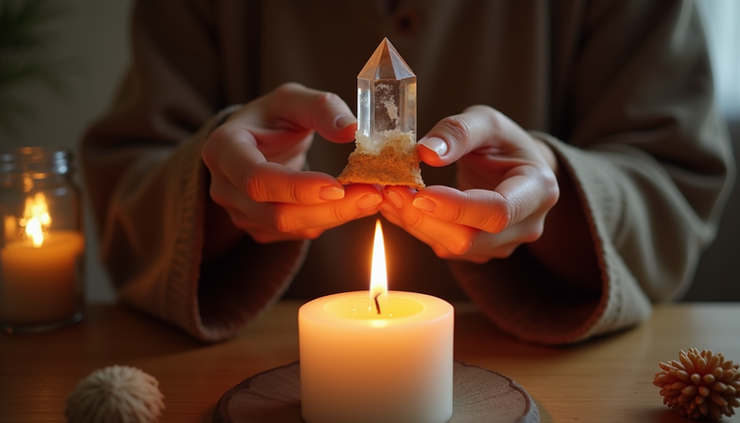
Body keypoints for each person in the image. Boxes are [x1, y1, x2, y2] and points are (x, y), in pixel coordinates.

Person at [82, 0, 734, 344]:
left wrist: (552, 194)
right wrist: (219, 182)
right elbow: (130, 186)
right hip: (251, 369)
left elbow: (673, 177)